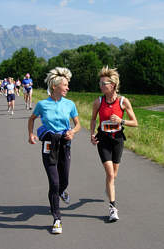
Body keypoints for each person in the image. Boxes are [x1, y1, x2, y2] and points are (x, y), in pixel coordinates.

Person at [28, 67, 81, 234]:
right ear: (55, 86)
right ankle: (57, 218)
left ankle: (62, 192)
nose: (67, 88)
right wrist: (30, 134)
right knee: (54, 183)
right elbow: (32, 119)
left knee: (63, 181)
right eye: (65, 85)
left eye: (67, 85)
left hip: (64, 145)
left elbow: (78, 124)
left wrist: (73, 131)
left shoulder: (70, 104)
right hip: (48, 146)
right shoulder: (42, 105)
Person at [90, 66, 138, 222]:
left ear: (113, 85)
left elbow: (135, 122)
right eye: (100, 83)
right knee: (110, 174)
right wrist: (92, 134)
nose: (101, 86)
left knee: (113, 175)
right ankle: (112, 208)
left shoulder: (124, 101)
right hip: (103, 140)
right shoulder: (98, 101)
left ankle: (109, 188)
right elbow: (92, 119)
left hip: (117, 140)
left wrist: (121, 120)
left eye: (104, 83)